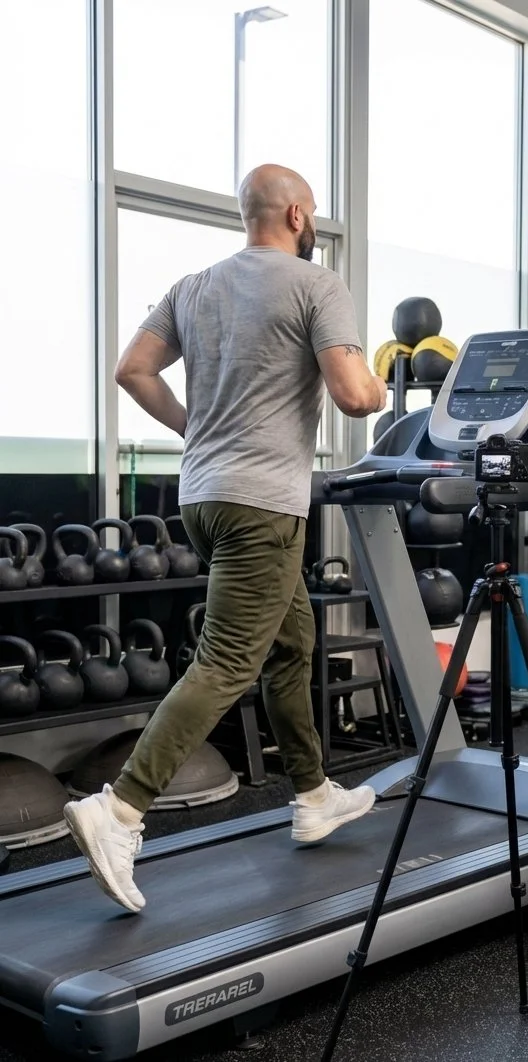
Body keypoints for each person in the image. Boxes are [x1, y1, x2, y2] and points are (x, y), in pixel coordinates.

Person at [63, 164, 388, 914]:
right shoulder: (316, 285)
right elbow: (350, 392)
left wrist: (195, 428)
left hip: (202, 497)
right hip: (263, 505)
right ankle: (119, 812)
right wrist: (379, 387)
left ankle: (312, 794)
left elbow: (132, 370)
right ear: (301, 215)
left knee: (291, 641)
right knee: (228, 660)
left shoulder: (195, 285)